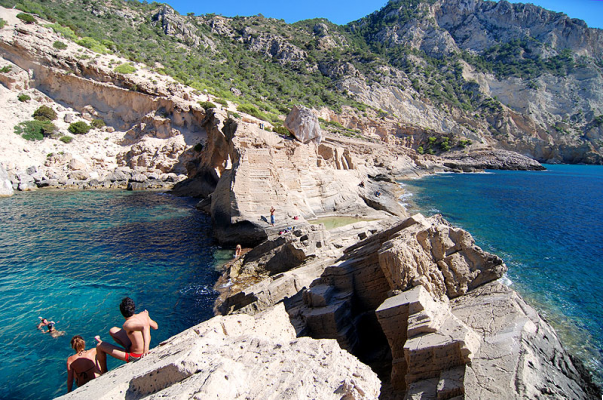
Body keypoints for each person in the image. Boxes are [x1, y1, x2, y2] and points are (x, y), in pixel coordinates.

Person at [95, 297, 158, 372]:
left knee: (99, 346)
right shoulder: (143, 315)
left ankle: (103, 372)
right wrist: (147, 317)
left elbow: (144, 327)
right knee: (113, 330)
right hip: (136, 347)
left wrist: (146, 351)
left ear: (121, 312)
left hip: (135, 356)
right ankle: (127, 348)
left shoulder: (127, 324)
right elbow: (155, 326)